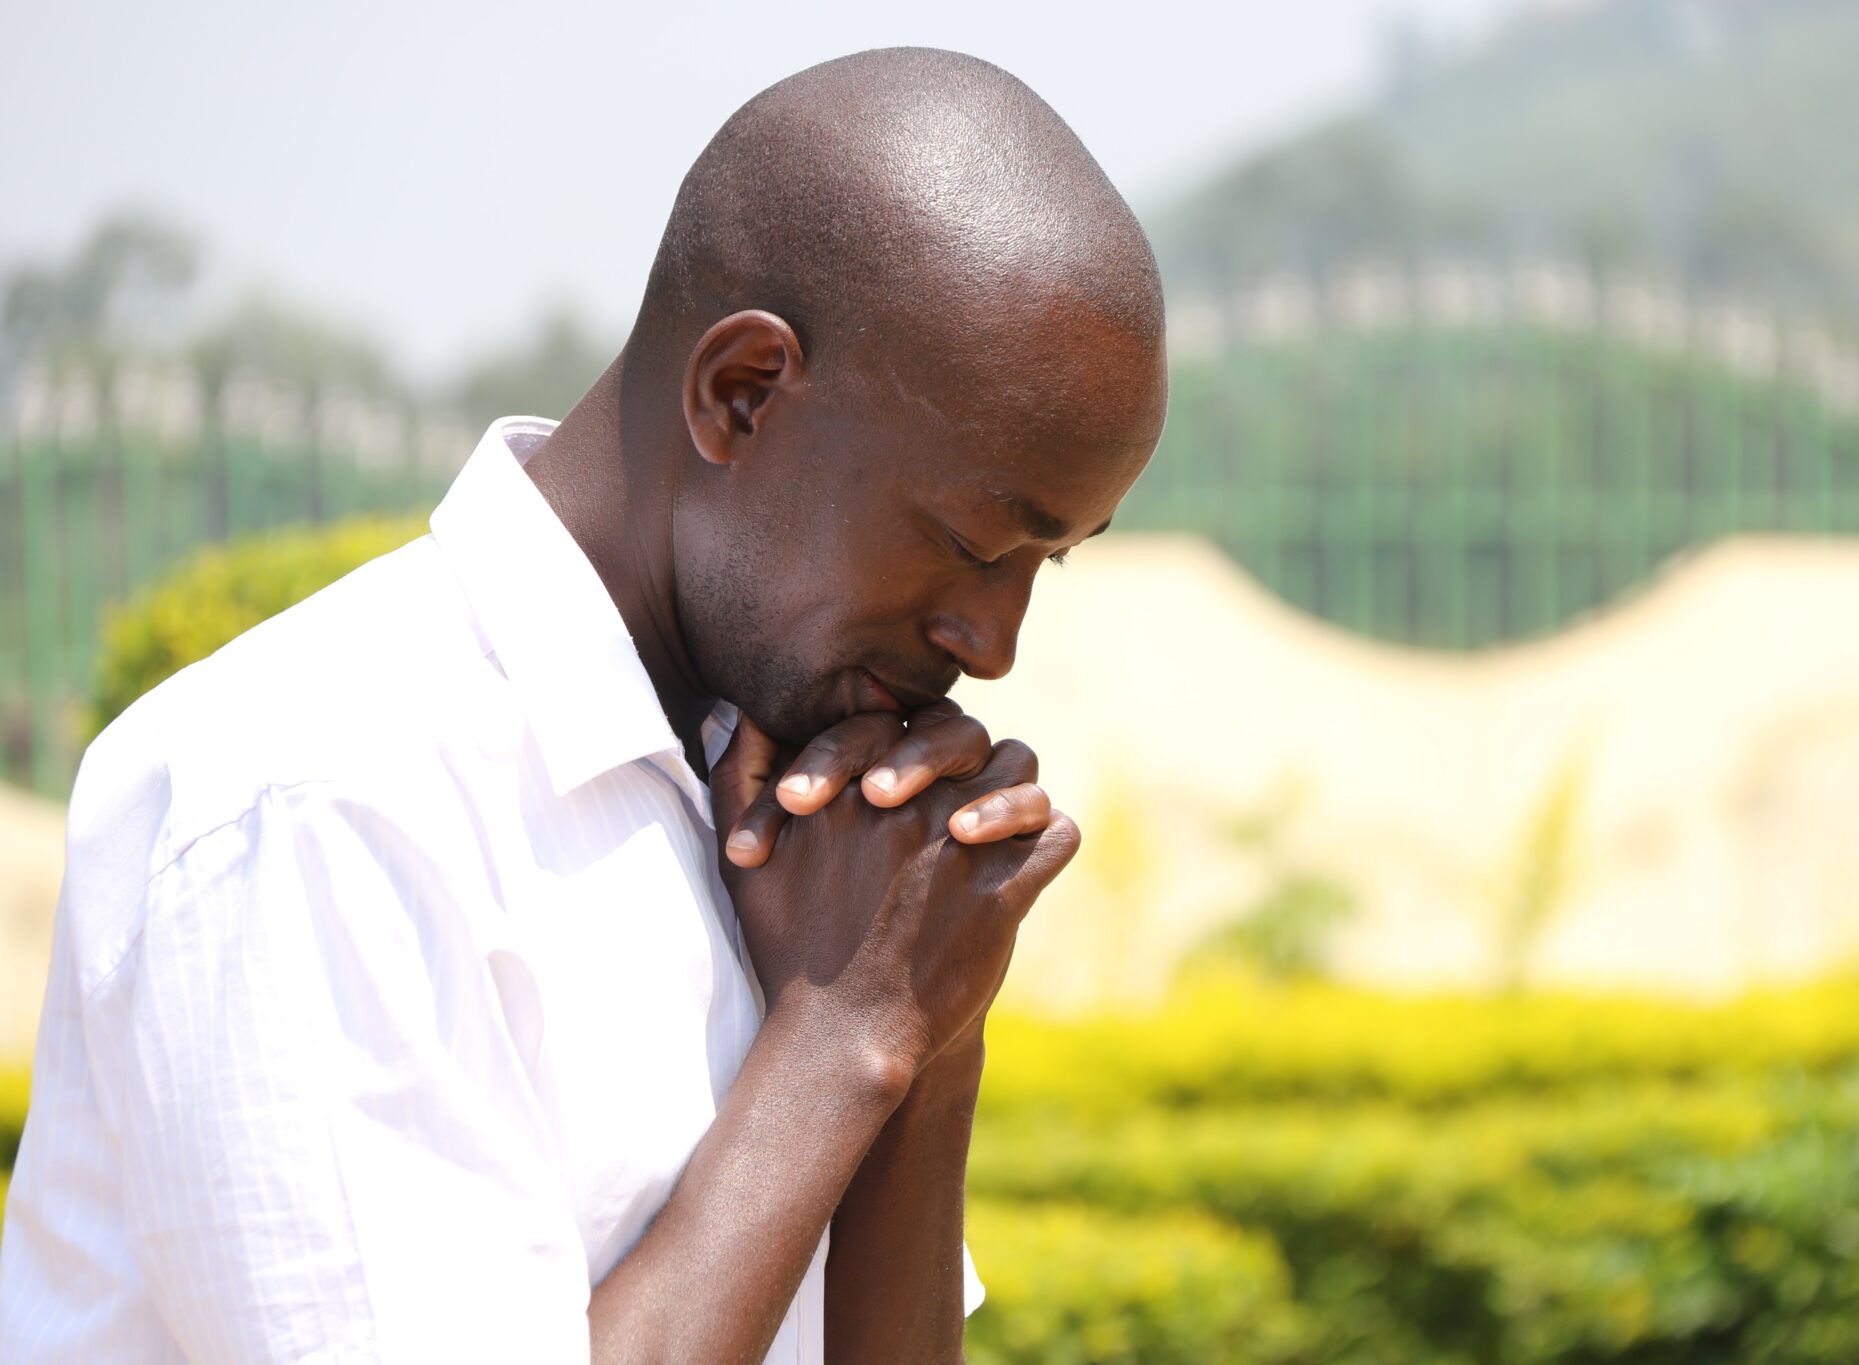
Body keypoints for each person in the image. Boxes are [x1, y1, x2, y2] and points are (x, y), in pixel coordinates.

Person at [0, 46, 1167, 1365]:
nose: (995, 642)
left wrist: (926, 1027)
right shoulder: (317, 793)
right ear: (741, 394)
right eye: (971, 542)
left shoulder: (794, 807)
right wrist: (843, 1034)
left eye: (1047, 563)